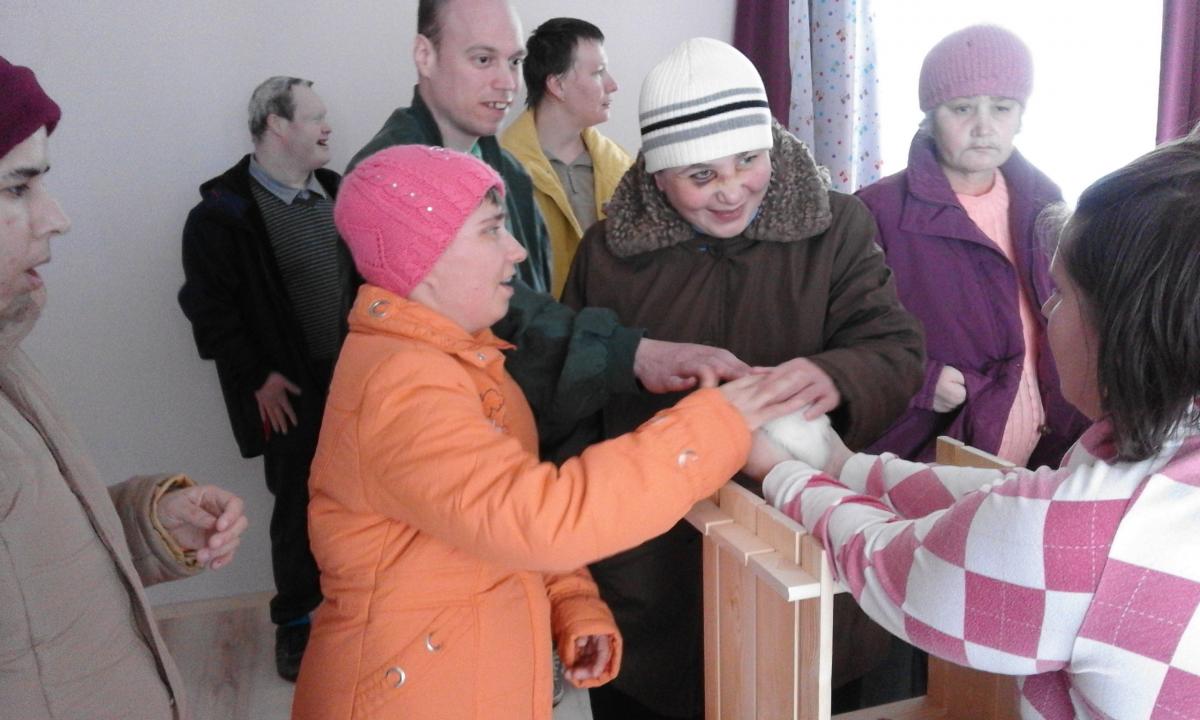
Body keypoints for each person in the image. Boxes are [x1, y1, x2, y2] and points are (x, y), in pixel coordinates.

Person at [289, 144, 808, 720]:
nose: (515, 251)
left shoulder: (463, 362)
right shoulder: (403, 386)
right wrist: (719, 422)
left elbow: (499, 512)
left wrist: (571, 601)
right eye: (492, 230)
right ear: (425, 256)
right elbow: (542, 519)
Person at [749, 130, 1200, 720]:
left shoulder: (1081, 535)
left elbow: (895, 563)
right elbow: (1011, 498)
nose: (1044, 310)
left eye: (1060, 295)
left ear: (1124, 333)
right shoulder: (1154, 460)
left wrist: (780, 471)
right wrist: (846, 467)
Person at [561, 38, 926, 719]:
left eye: (749, 161)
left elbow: (895, 347)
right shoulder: (608, 255)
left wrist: (833, 375)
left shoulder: (836, 228)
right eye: (700, 175)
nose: (731, 190)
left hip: (804, 555)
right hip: (652, 575)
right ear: (657, 176)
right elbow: (569, 403)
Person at [349, 0, 758, 451]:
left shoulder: (509, 171)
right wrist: (628, 354)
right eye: (483, 59)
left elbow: (539, 302)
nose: (507, 82)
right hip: (443, 438)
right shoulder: (388, 177)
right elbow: (510, 318)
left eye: (514, 61)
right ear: (425, 55)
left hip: (526, 421)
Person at [0, 56, 248, 719]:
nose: (57, 217)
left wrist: (151, 523)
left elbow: (31, 576)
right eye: (18, 187)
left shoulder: (9, 358)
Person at [177, 76, 358, 681]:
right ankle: (296, 622)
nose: (328, 127)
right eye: (316, 117)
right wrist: (258, 378)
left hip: (357, 381)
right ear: (277, 125)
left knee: (366, 492)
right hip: (287, 392)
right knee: (299, 502)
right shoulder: (221, 216)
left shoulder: (337, 192)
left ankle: (361, 603)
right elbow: (209, 311)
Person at [857, 25, 1088, 469]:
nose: (983, 127)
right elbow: (842, 334)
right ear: (930, 116)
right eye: (962, 108)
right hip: (927, 456)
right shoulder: (876, 211)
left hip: (1042, 458)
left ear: (1020, 116)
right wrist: (920, 379)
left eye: (1001, 107)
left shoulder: (1045, 200)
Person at [500, 17, 633, 297]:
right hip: (536, 322)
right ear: (557, 85)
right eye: (598, 72)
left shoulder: (623, 166)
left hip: (614, 321)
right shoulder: (500, 173)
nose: (613, 85)